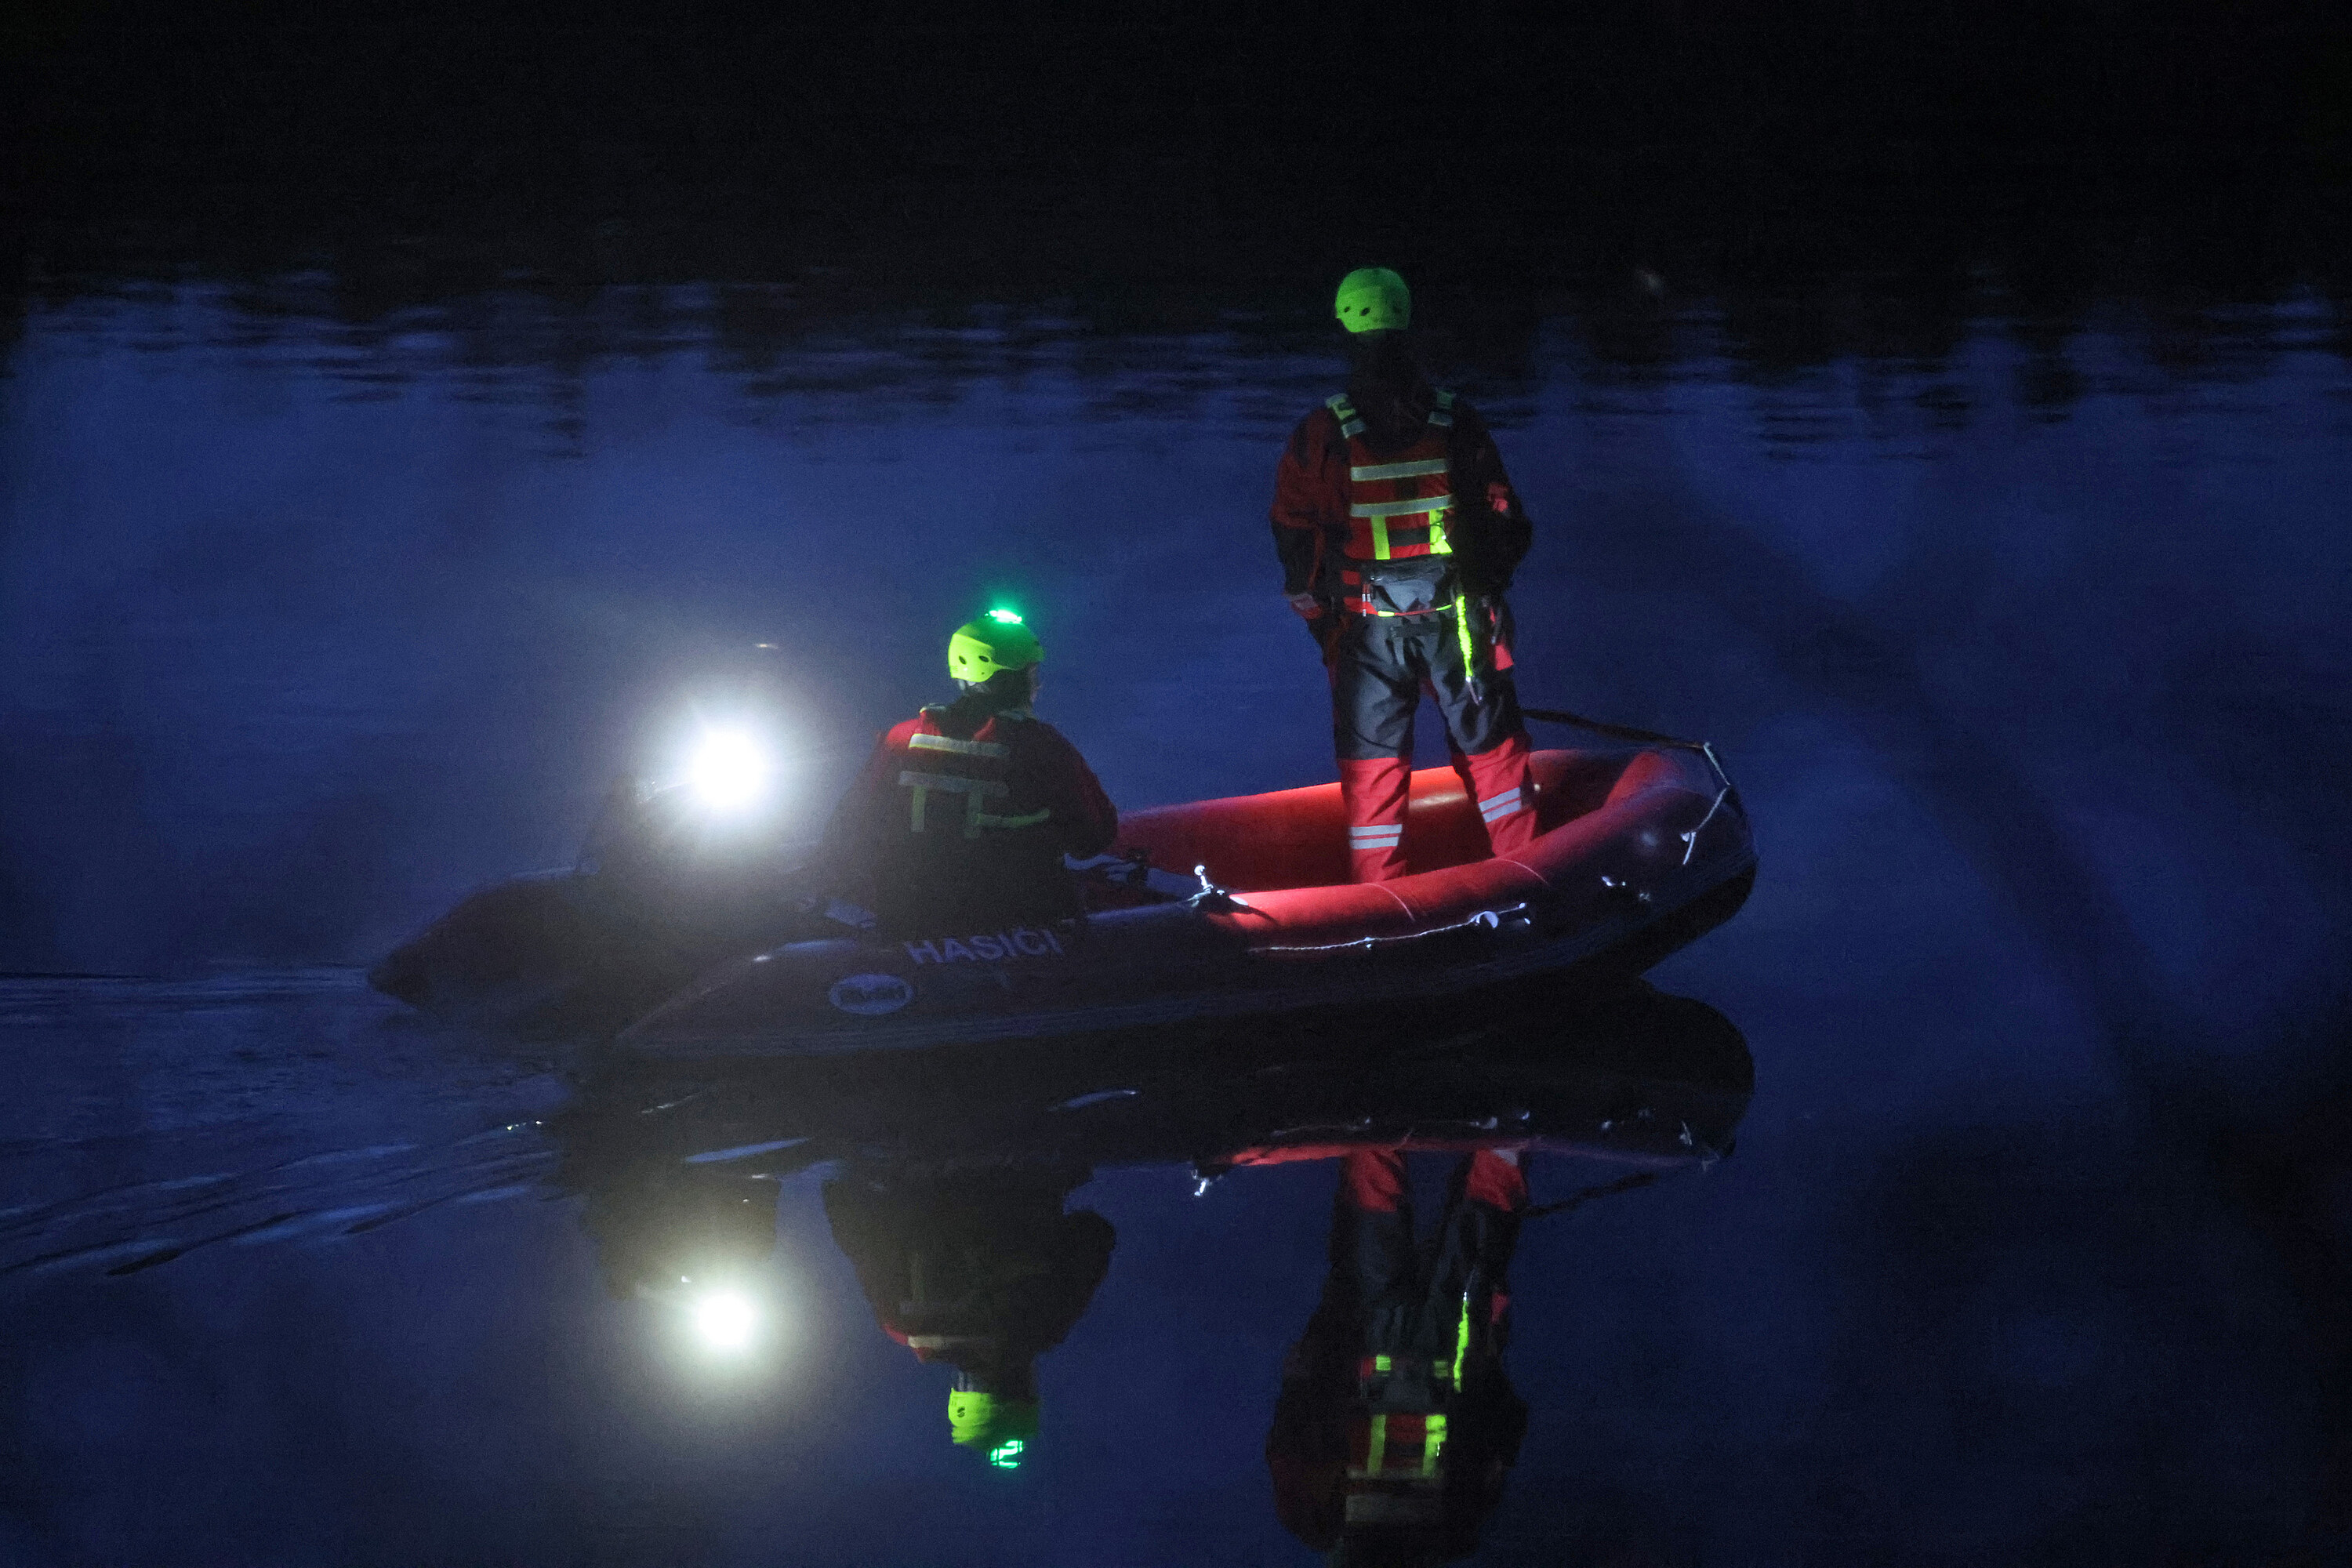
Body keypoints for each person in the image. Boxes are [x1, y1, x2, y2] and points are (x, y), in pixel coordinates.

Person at [1271, 268, 1539, 883]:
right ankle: (1532, 877)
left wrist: (1324, 623)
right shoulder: (1457, 419)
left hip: (1365, 630)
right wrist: (1490, 595)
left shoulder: (1321, 432)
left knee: (1373, 777)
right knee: (1493, 752)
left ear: (1344, 327)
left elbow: (1294, 538)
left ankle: (1380, 901)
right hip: (1459, 622)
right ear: (1408, 319)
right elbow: (1505, 518)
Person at [1265, 1148, 1531, 1566]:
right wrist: (1487, 1353)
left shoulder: (1317, 1522)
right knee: (1472, 1236)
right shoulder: (1452, 1533)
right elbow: (1495, 1440)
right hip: (1436, 1357)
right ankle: (1498, 1148)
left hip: (1378, 1350)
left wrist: (1311, 1368)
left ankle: (1379, 1133)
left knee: (1380, 1223)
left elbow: (1294, 1438)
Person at [819, 610, 1119, 935]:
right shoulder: (1042, 747)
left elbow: (847, 827)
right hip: (1020, 930)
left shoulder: (901, 739)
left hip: (912, 925)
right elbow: (1093, 837)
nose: (1038, 685)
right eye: (1031, 674)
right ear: (1009, 679)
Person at [822, 1163, 1116, 1469]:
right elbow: (849, 1214)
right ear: (959, 1395)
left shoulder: (1047, 1321)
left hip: (1022, 1167)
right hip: (919, 1164)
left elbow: (1094, 1232)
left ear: (1026, 1390)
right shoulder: (905, 1325)